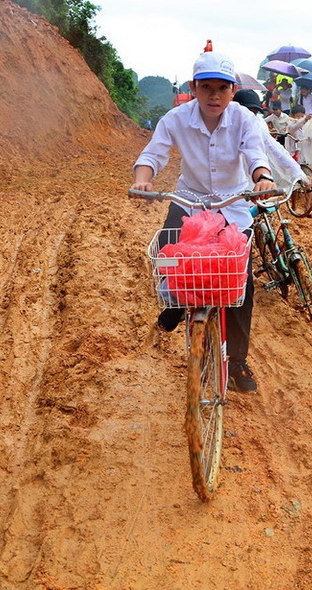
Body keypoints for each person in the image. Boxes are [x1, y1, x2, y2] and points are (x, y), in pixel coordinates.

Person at [130, 50, 277, 393]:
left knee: (240, 279)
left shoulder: (243, 119)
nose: (214, 95)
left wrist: (263, 178)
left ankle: (237, 360)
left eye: (222, 88)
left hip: (232, 203)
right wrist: (143, 178)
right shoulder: (176, 119)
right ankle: (177, 302)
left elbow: (255, 154)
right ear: (194, 88)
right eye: (206, 87)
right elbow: (153, 154)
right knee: (169, 250)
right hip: (190, 200)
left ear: (232, 90)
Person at [233, 89, 312, 192]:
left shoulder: (258, 124)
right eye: (247, 111)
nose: (250, 116)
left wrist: (299, 173)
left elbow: (275, 148)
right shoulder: (224, 126)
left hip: (254, 179)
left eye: (254, 112)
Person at [286, 104, 312, 190]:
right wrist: (305, 120)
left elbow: (309, 136)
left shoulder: (306, 126)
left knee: (308, 180)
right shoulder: (290, 125)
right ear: (293, 115)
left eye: (302, 116)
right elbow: (294, 127)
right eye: (298, 116)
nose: (300, 118)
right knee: (294, 181)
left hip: (304, 156)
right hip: (293, 155)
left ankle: (308, 202)